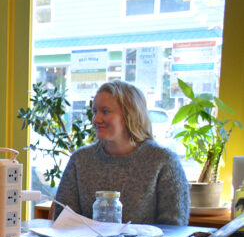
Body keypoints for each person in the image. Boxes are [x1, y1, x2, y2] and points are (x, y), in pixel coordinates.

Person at [53, 80, 190, 225]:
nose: (96, 119)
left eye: (105, 111)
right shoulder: (80, 160)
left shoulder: (163, 160)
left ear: (129, 115)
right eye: (95, 112)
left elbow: (174, 227)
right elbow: (63, 222)